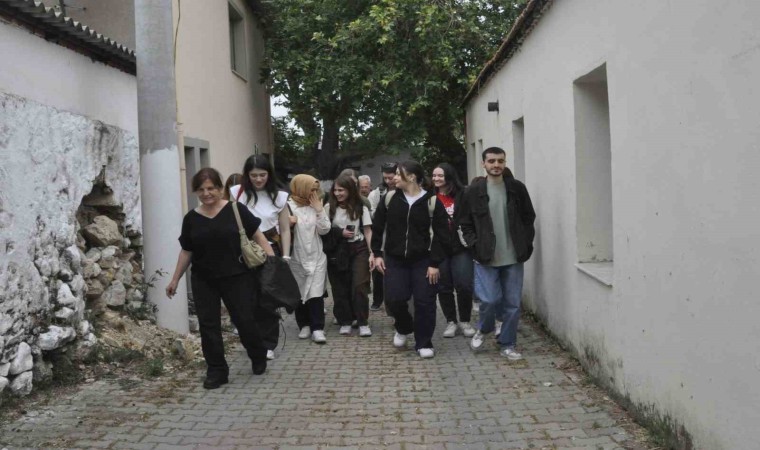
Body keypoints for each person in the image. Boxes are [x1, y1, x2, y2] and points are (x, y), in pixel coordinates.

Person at [166, 168, 276, 389]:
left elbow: (257, 235)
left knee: (244, 320)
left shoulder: (235, 209)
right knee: (209, 326)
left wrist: (273, 263)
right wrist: (175, 279)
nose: (206, 193)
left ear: (219, 188)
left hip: (237, 277)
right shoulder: (191, 218)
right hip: (204, 279)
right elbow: (186, 251)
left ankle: (257, 354)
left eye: (211, 188)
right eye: (201, 189)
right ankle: (217, 370)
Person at [458, 147, 536, 361]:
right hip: (485, 256)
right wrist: (474, 245)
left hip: (514, 256)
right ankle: (484, 328)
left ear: (505, 163)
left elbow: (528, 217)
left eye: (500, 161)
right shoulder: (472, 191)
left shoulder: (517, 188)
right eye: (491, 161)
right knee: (490, 300)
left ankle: (508, 344)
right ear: (483, 163)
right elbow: (464, 223)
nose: (496, 165)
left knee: (512, 304)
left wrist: (526, 242)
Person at [371, 161, 450, 359]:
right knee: (394, 299)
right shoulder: (390, 198)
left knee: (425, 301)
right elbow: (377, 227)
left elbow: (442, 236)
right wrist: (377, 254)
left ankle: (424, 342)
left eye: (399, 174)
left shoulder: (432, 202)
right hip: (395, 260)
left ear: (412, 177)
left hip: (424, 261)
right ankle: (403, 327)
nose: (394, 178)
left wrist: (434, 264)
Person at [229, 155, 291, 361]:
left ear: (269, 175)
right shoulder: (236, 193)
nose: (258, 179)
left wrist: (286, 255)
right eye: (254, 175)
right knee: (246, 298)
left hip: (270, 249)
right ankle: (252, 340)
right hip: (244, 250)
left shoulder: (279, 196)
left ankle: (268, 343)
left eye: (262, 175)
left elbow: (284, 228)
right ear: (247, 175)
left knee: (268, 299)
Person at [325, 175, 374, 337]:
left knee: (360, 285)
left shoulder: (360, 207)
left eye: (341, 190)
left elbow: (367, 231)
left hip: (358, 248)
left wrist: (372, 252)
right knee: (340, 287)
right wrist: (340, 232)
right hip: (338, 250)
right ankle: (345, 320)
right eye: (335, 190)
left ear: (350, 190)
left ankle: (362, 322)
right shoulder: (328, 208)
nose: (338, 193)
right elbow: (323, 229)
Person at [431, 163, 476, 339]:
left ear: (449, 176)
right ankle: (451, 321)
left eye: (440, 175)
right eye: (434, 175)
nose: (436, 179)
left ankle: (465, 320)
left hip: (460, 246)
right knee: (444, 286)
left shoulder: (462, 195)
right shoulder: (430, 197)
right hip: (439, 247)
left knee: (464, 284)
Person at [288, 174, 331, 344]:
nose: (313, 193)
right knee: (299, 291)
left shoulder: (317, 205)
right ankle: (304, 324)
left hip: (316, 255)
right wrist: (288, 222)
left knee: (316, 293)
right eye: (310, 190)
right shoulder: (289, 206)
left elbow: (325, 230)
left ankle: (317, 328)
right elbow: (280, 229)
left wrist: (319, 210)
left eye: (315, 190)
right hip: (296, 256)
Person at [367, 162, 397, 311]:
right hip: (381, 236)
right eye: (385, 178)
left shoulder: (404, 191)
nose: (388, 181)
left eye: (391, 177)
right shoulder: (376, 193)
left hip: (397, 238)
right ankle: (377, 300)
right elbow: (371, 213)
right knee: (378, 271)